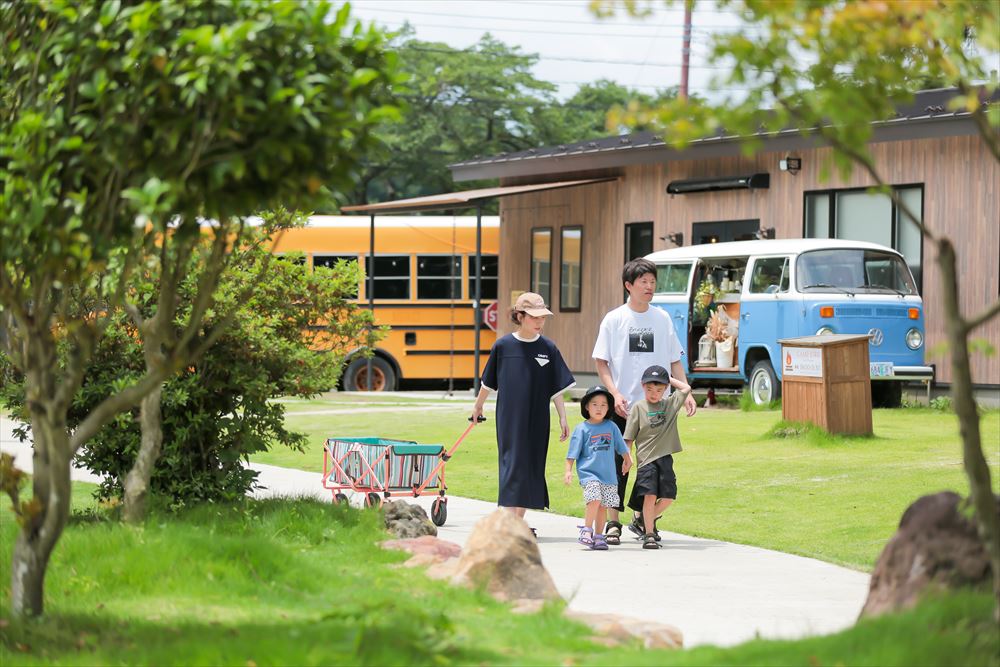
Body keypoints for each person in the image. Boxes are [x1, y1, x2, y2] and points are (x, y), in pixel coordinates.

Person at [592, 258, 697, 545]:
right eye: (643, 282)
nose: (649, 286)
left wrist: (686, 394)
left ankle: (643, 521)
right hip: (623, 406)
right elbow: (601, 362)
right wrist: (614, 393)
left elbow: (674, 358)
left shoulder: (662, 318)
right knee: (617, 466)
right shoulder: (614, 319)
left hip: (658, 409)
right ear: (629, 285)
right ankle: (613, 523)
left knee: (658, 471)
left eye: (652, 281)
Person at [471, 292, 575, 526]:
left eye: (543, 318)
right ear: (519, 316)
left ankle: (517, 523)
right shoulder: (503, 346)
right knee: (512, 464)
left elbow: (556, 386)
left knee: (532, 466)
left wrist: (563, 417)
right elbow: (488, 382)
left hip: (538, 418)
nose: (540, 322)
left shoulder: (548, 347)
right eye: (534, 317)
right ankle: (510, 523)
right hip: (510, 419)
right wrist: (478, 407)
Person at [623, 365, 691, 550]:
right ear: (642, 386)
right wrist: (627, 457)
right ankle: (649, 534)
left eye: (659, 390)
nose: (654, 393)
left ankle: (643, 520)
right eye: (650, 389)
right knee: (650, 497)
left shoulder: (669, 405)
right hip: (646, 461)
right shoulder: (638, 408)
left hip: (665, 458)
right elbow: (628, 437)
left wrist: (667, 378)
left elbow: (686, 388)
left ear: (665, 389)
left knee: (668, 497)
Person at [564, 386, 633, 550]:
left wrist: (627, 460)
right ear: (586, 406)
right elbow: (572, 454)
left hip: (608, 475)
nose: (599, 408)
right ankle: (587, 530)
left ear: (609, 408)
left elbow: (622, 447)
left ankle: (599, 536)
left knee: (603, 506)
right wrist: (568, 471)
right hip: (589, 474)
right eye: (594, 404)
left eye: (603, 405)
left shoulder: (611, 427)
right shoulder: (582, 429)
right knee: (594, 499)